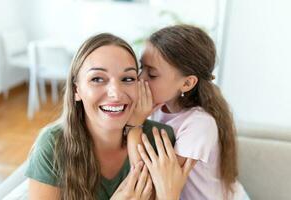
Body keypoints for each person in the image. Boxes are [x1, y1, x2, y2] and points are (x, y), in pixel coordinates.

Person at [25, 33, 193, 200]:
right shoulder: (52, 146)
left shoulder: (160, 141)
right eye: (97, 79)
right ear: (77, 90)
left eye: (127, 78)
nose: (116, 94)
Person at [127, 24, 250, 200]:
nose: (140, 78)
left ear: (187, 83)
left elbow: (149, 186)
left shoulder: (199, 124)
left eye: (152, 74)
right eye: (141, 68)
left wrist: (135, 124)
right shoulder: (159, 109)